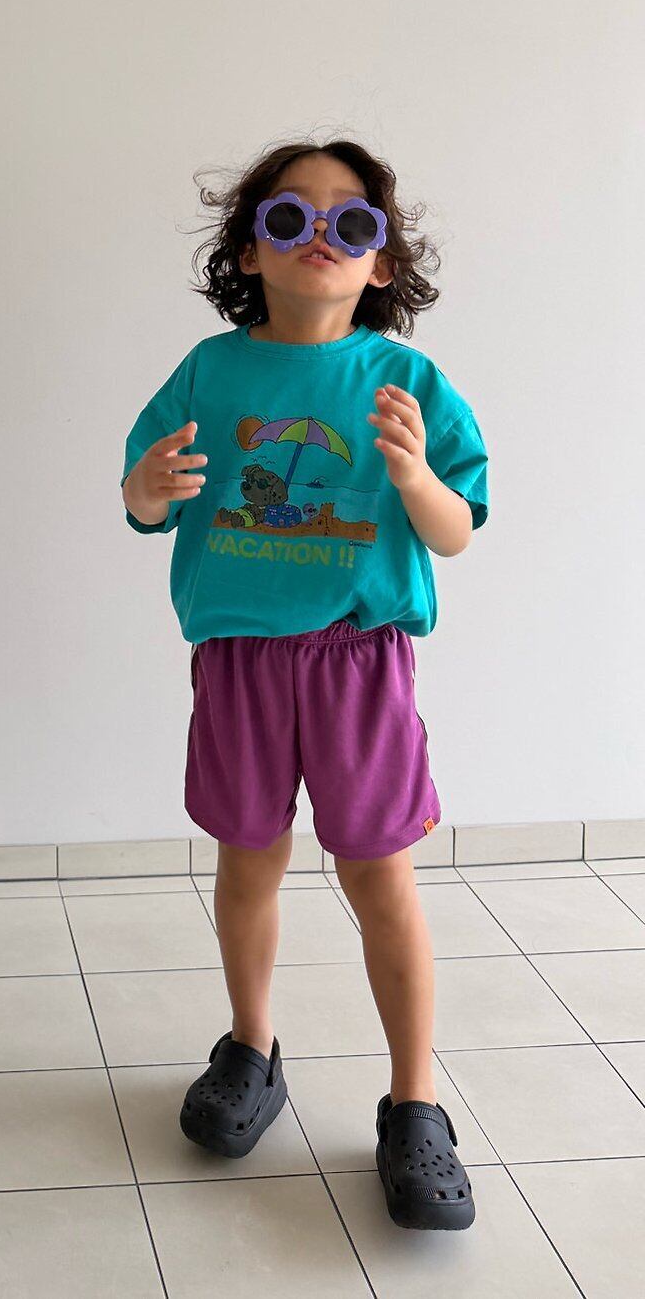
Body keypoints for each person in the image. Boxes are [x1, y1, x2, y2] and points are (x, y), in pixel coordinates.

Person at [121, 138, 487, 1230]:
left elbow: (457, 531)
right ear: (250, 250)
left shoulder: (407, 383)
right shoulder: (209, 371)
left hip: (357, 663)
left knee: (380, 877)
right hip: (239, 659)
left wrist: (414, 476)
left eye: (350, 222)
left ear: (380, 261)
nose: (319, 236)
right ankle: (250, 1046)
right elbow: (146, 501)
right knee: (248, 860)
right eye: (289, 218)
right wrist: (146, 489)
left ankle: (415, 1100)